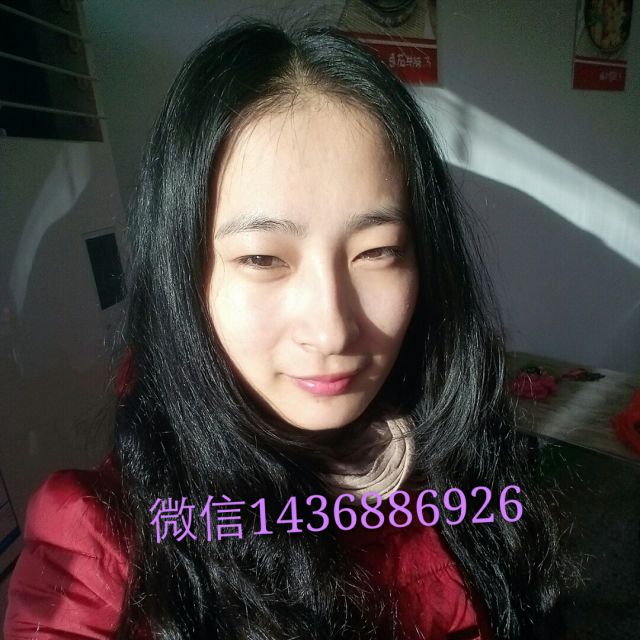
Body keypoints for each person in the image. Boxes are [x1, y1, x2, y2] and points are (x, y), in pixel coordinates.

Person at [4, 20, 577, 640]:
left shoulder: (469, 468)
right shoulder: (105, 542)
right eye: (262, 258)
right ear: (184, 274)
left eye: (378, 251)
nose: (331, 331)